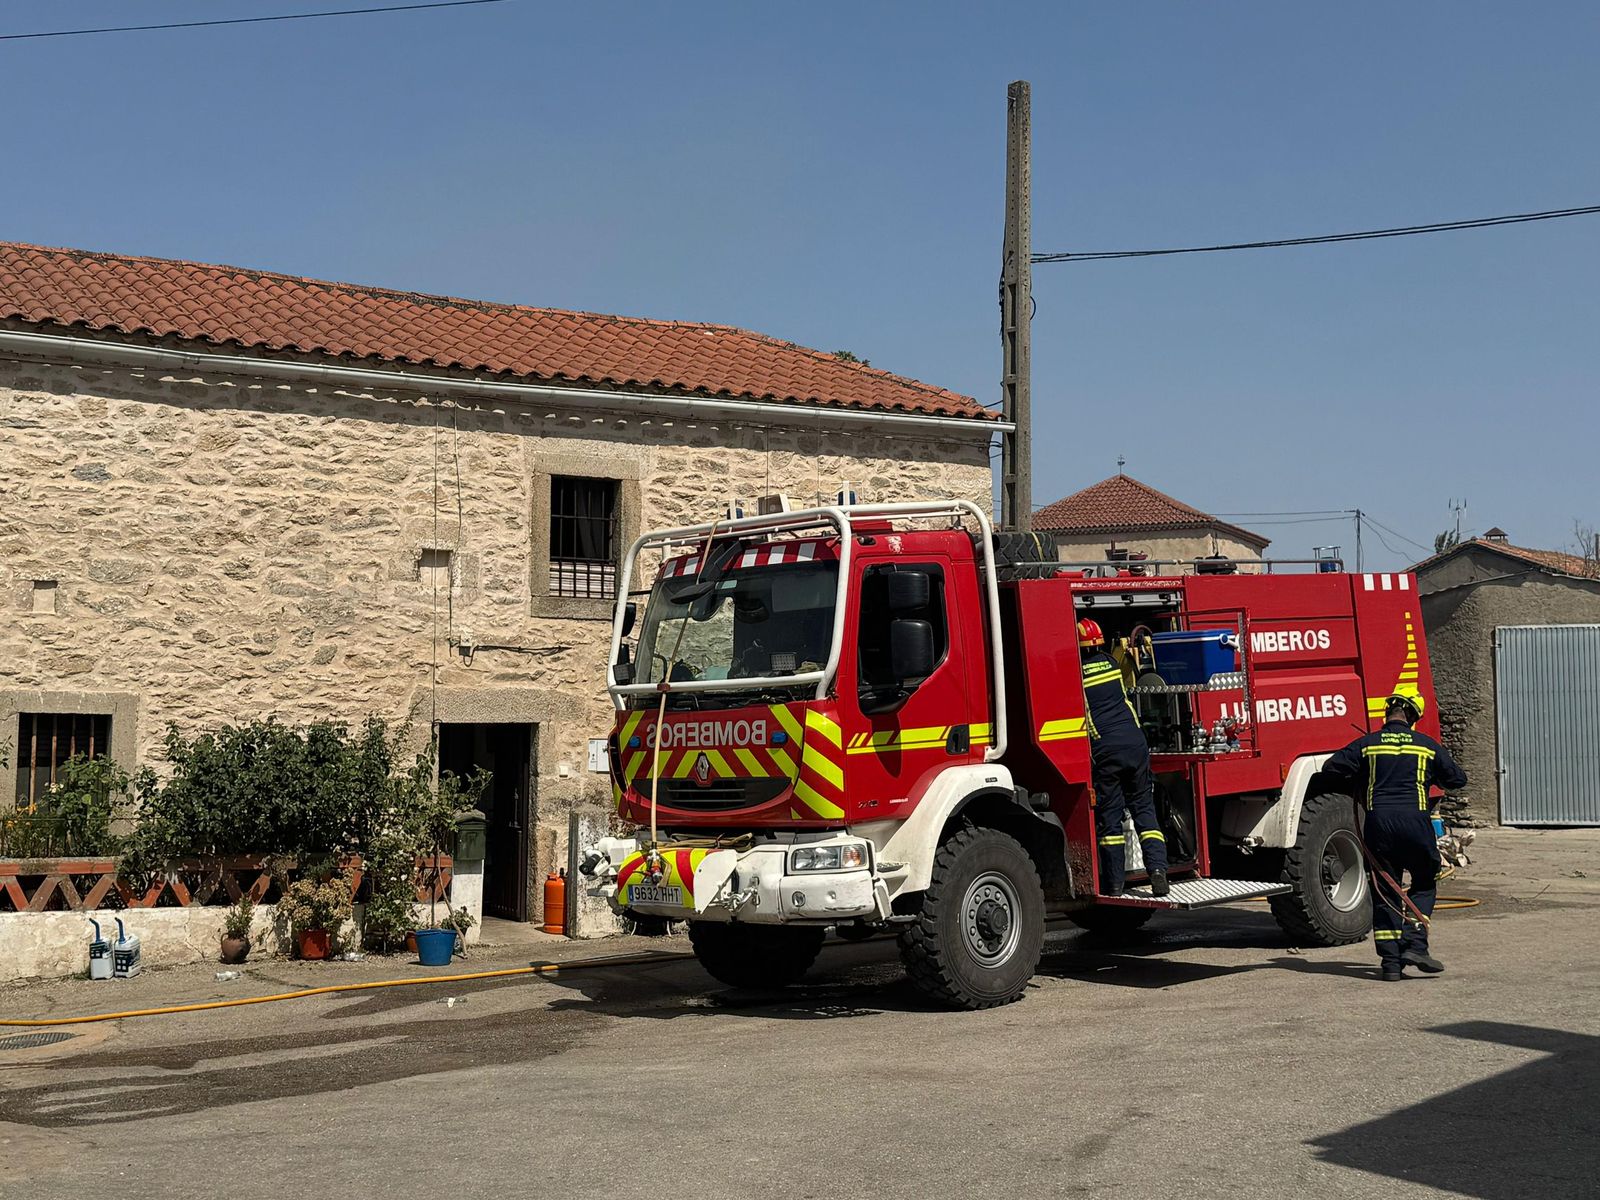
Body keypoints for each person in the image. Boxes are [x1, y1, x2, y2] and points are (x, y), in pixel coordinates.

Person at [1322, 692, 1467, 981]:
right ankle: (1415, 944)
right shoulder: (1427, 747)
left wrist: (1362, 777)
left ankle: (1390, 964)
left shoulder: (1367, 745)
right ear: (1413, 718)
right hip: (1416, 824)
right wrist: (1430, 777)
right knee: (1425, 881)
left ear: (1387, 712)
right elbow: (1457, 779)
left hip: (1379, 826)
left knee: (1385, 890)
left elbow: (1331, 769)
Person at [1079, 618, 1169, 897]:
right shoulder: (1111, 663)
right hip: (1135, 743)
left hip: (1106, 750)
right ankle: (1157, 872)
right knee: (1144, 810)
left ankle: (1115, 885)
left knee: (1111, 819)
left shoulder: (1077, 673)